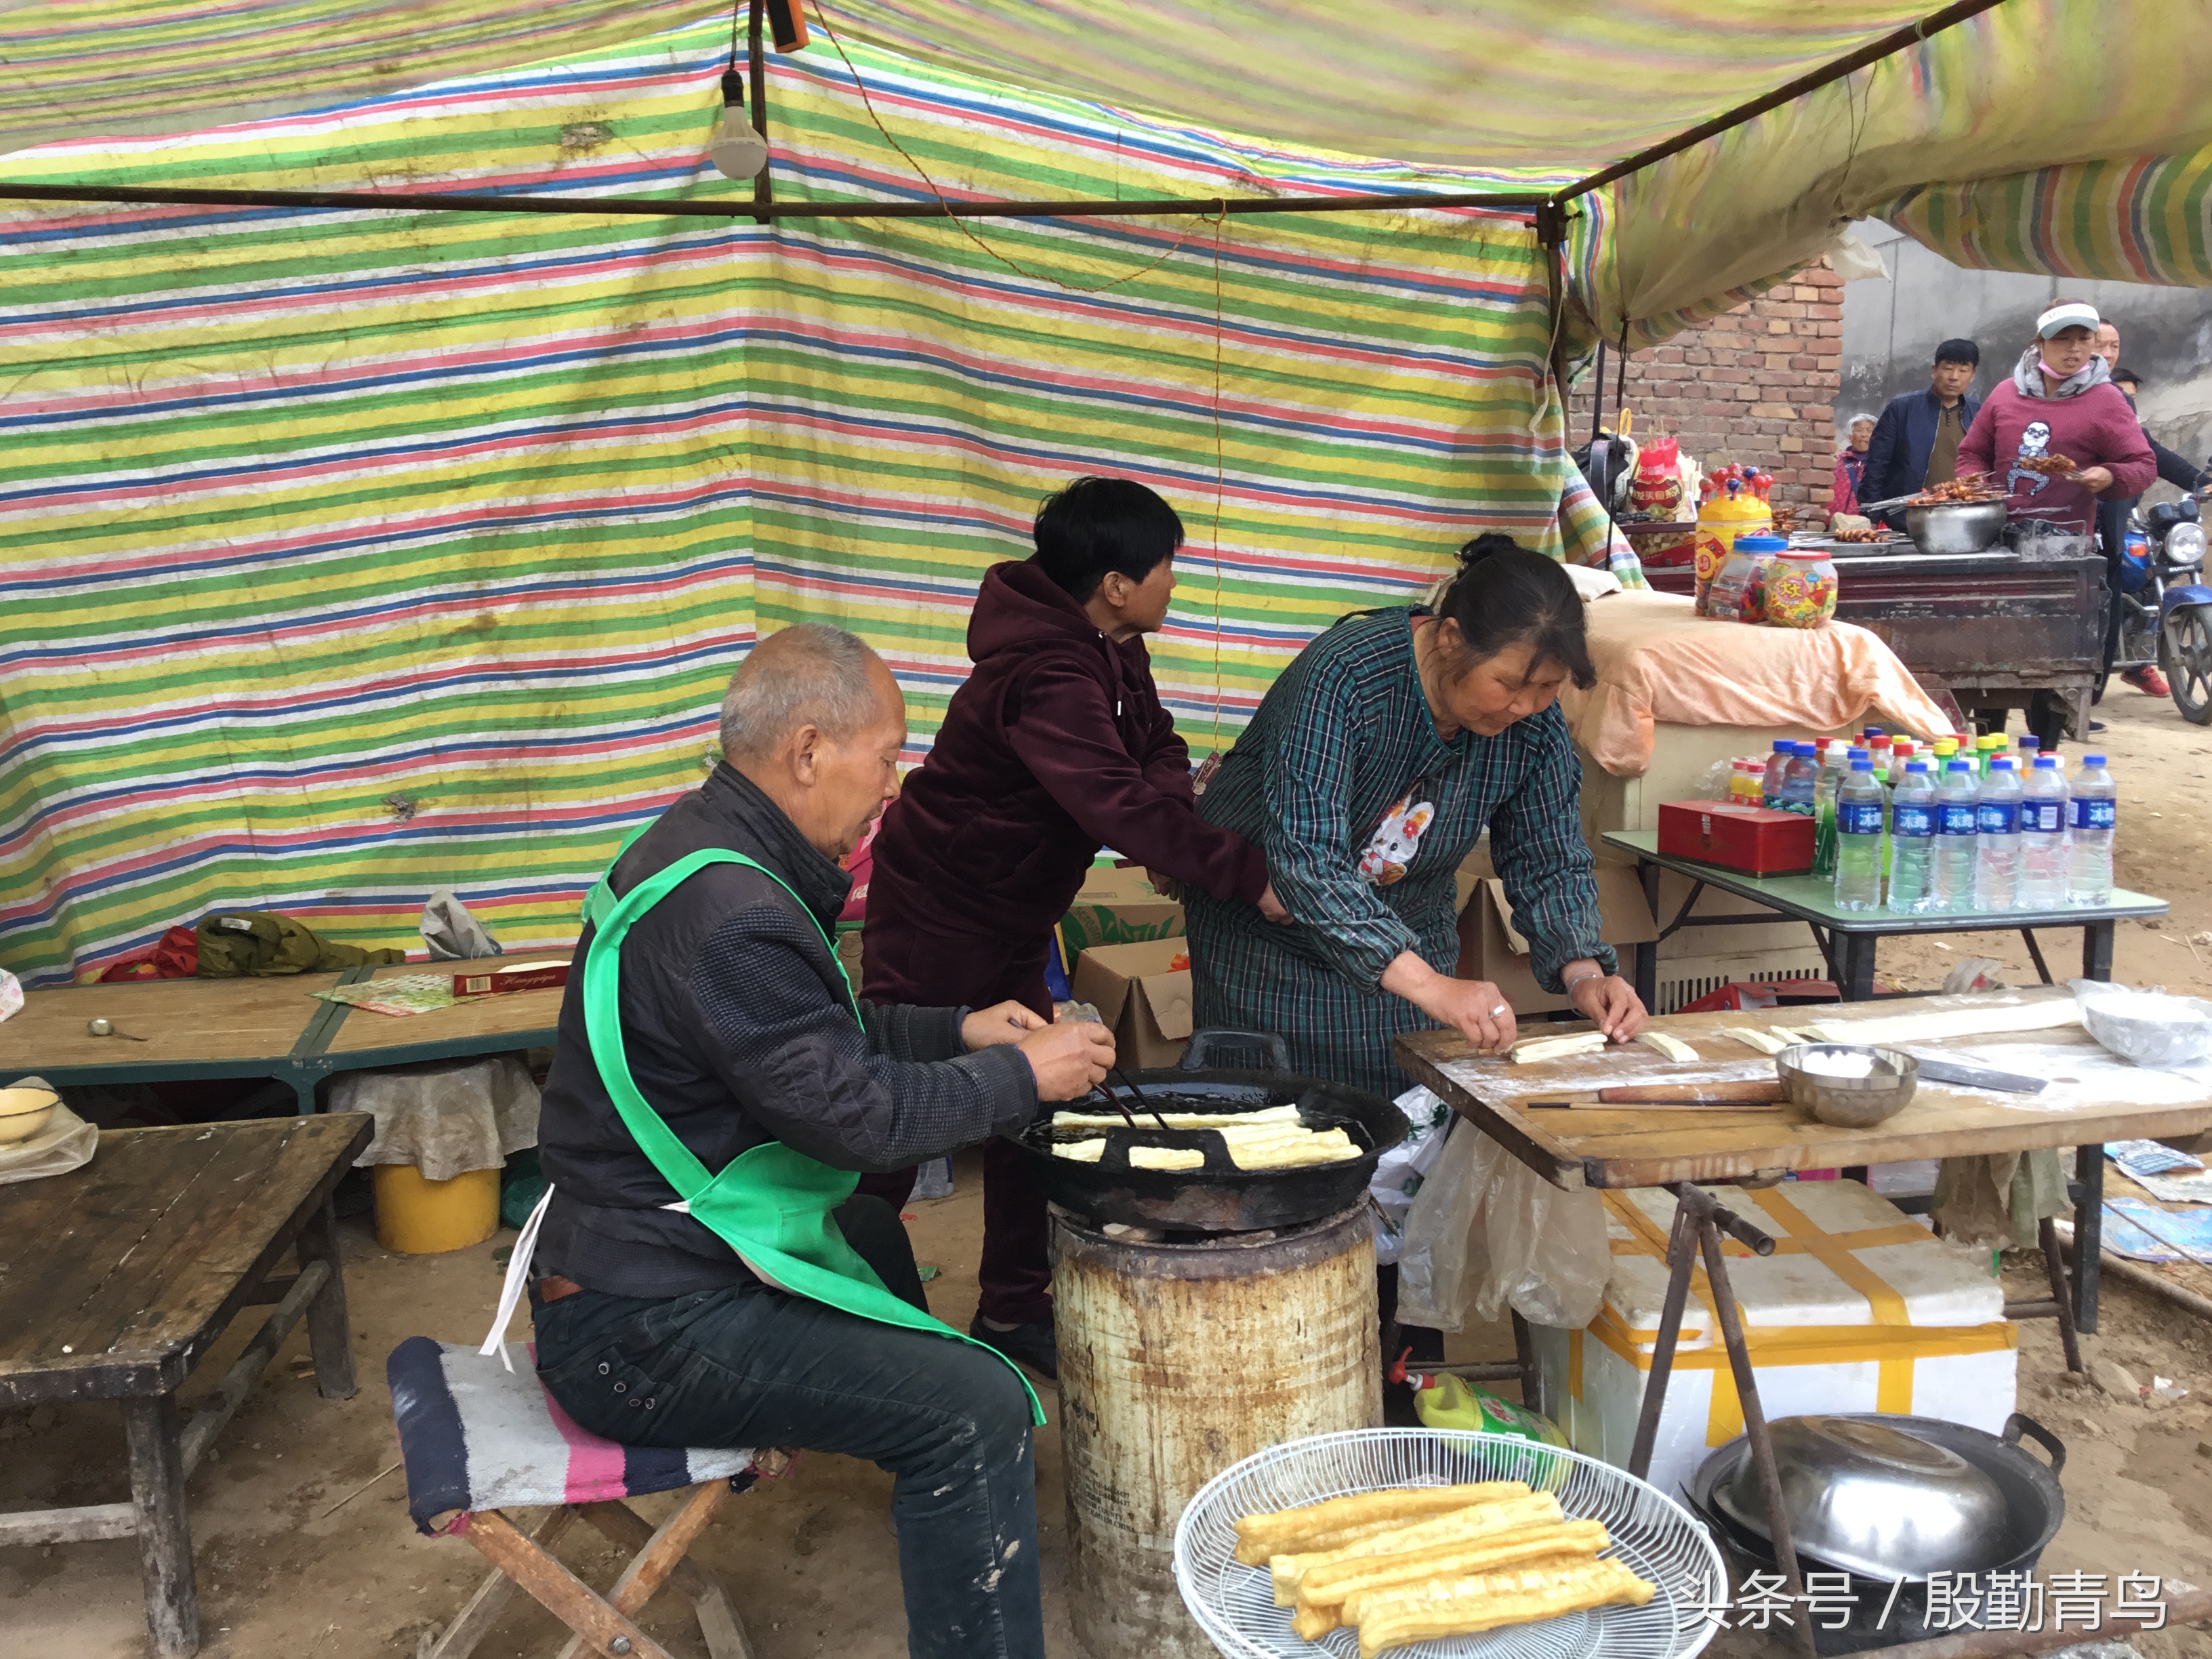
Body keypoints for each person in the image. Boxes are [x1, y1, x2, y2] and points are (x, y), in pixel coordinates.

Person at [527, 624, 1115, 1659]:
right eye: (885, 756)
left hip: (629, 1265)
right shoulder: (731, 915)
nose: (894, 785)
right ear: (807, 751)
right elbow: (857, 1117)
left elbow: (808, 1041)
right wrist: (1025, 1075)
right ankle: (957, 1492)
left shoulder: (709, 848)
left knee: (873, 1242)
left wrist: (965, 1028)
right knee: (975, 1406)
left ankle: (942, 1500)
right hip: (634, 1332)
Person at [861, 476, 1284, 1379]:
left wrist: (1173, 817)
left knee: (1037, 1093)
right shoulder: (1049, 674)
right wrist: (1248, 878)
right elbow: (1113, 800)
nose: (1178, 580)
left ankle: (1013, 1311)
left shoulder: (1111, 647)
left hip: (1013, 909)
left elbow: (1156, 752)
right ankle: (853, 1312)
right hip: (941, 903)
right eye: (1167, 566)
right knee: (895, 1113)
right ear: (1118, 584)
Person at [1185, 533, 1648, 1102]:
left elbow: (1547, 857)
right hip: (1270, 954)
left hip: (1410, 944)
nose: (1524, 707)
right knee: (1276, 1129)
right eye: (1506, 684)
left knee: (1400, 1123)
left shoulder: (1533, 728)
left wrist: (1586, 974)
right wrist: (1431, 985)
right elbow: (1307, 859)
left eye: (1548, 689)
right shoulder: (1346, 675)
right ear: (1451, 639)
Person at [1960, 300, 2156, 711]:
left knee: (2050, 661)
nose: (2075, 349)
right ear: (2040, 343)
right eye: (2063, 340)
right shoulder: (2005, 393)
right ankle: (1989, 740)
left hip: (2064, 547)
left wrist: (2109, 476)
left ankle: (2044, 748)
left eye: (2084, 340)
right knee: (1992, 651)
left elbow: (2142, 465)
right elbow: (1972, 452)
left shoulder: (2107, 400)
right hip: (1997, 540)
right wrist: (1972, 485)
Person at [1858, 339, 1984, 517]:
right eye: (1948, 368)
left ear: (1973, 375)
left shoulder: (1979, 413)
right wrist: (1870, 515)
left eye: (1963, 370)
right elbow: (1876, 466)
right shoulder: (1902, 408)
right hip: (1906, 516)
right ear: (1934, 371)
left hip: (1961, 517)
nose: (1954, 377)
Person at [1829, 413, 1877, 515]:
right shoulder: (1836, 462)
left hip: (1868, 524)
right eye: (1859, 431)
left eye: (1870, 431)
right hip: (1835, 522)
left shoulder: (1880, 463)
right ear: (1850, 437)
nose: (1864, 435)